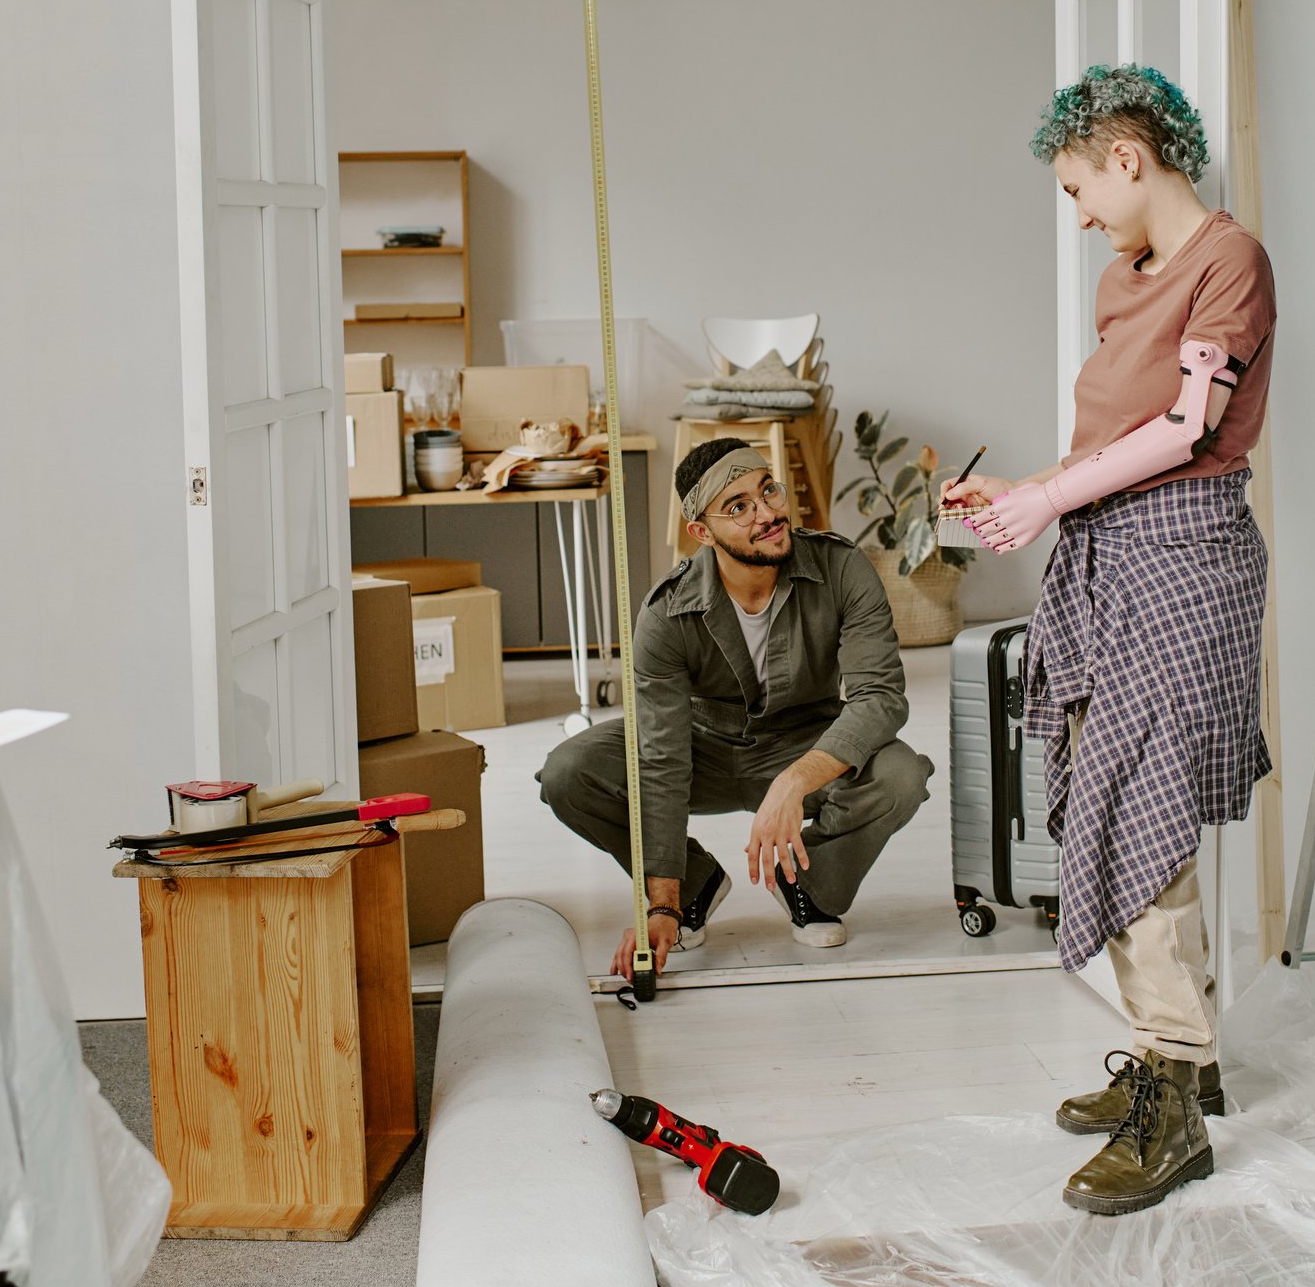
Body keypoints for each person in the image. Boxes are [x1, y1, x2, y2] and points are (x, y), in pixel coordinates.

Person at [941, 63, 1274, 1217]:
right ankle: (1186, 1059)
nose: (1079, 212)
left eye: (1080, 186)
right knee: (1112, 800)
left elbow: (1190, 429)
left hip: (1186, 563)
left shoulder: (1229, 260)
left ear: (1128, 159)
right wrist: (1024, 494)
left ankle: (1176, 1105)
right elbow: (1119, 440)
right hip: (1110, 559)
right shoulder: (1120, 278)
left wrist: (1047, 502)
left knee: (1142, 811)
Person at [539, 439, 932, 979]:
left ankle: (809, 885)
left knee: (900, 773)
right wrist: (660, 903)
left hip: (804, 743)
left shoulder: (843, 569)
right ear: (703, 533)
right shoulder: (666, 613)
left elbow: (880, 696)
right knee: (569, 772)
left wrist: (796, 780)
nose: (767, 513)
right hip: (703, 749)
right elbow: (661, 758)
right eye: (739, 506)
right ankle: (694, 884)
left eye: (767, 490)